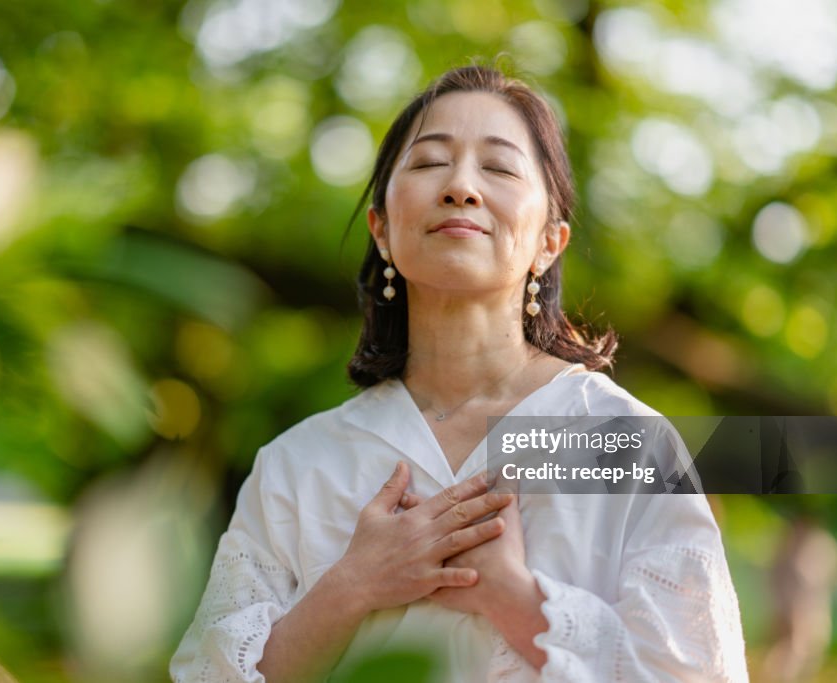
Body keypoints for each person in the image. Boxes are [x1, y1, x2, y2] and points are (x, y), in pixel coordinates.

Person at [170, 65, 748, 682]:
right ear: (382, 229)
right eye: (428, 164)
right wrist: (352, 586)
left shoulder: (630, 443)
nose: (461, 187)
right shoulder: (296, 465)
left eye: (498, 167)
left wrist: (514, 597)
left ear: (550, 242)